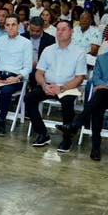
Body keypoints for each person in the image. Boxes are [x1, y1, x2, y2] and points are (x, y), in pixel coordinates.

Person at [56, 31, 108, 158]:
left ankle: (76, 125)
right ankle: (95, 148)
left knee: (99, 96)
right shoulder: (102, 58)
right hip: (104, 94)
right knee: (98, 105)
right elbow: (96, 78)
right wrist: (107, 87)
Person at [24, 21, 87, 149]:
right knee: (29, 98)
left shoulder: (79, 52)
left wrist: (61, 88)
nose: (60, 32)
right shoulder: (48, 50)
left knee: (67, 103)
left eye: (63, 29)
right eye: (58, 29)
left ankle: (67, 138)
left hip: (67, 88)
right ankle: (42, 133)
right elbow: (39, 72)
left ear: (71, 32)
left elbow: (79, 77)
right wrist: (43, 85)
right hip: (48, 85)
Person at [22, 16, 56, 87]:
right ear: (29, 27)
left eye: (37, 31)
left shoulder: (50, 40)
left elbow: (51, 59)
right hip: (23, 66)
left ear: (42, 28)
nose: (34, 33)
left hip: (40, 68)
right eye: (32, 30)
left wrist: (38, 64)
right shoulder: (22, 37)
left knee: (34, 75)